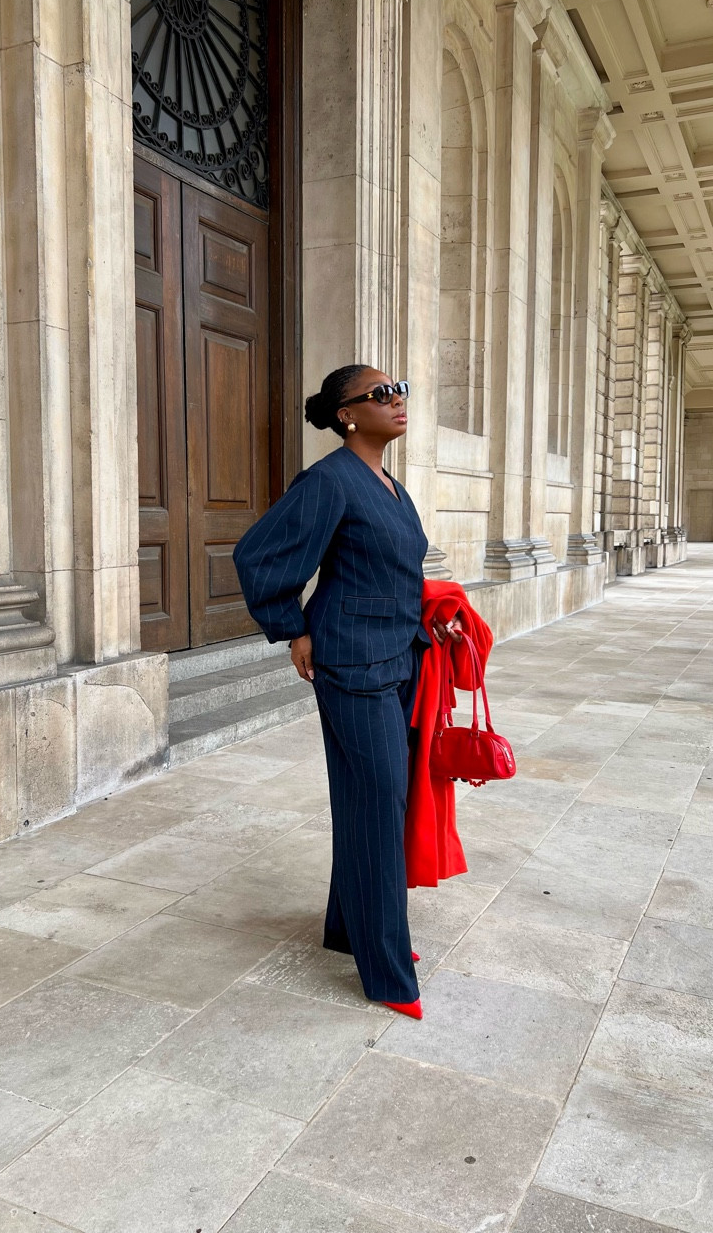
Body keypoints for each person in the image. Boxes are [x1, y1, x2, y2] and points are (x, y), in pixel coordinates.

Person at [233, 364, 461, 1020]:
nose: (396, 401)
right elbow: (259, 555)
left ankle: (346, 929)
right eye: (379, 394)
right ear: (346, 415)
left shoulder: (392, 487)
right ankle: (386, 970)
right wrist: (290, 628)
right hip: (353, 665)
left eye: (401, 390)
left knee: (377, 800)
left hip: (403, 660)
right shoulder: (328, 481)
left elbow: (391, 569)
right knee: (380, 806)